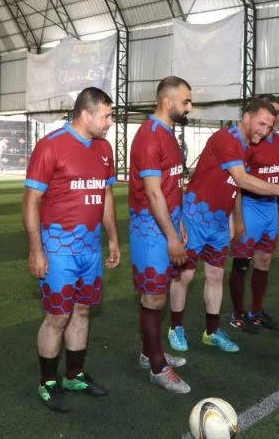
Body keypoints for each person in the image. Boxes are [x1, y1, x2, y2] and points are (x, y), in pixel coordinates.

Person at [167, 98, 279, 354]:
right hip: (196, 217)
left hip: (219, 221)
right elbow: (241, 179)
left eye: (269, 126)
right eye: (261, 124)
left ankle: (211, 332)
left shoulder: (247, 144)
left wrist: (233, 216)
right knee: (185, 276)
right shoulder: (226, 138)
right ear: (246, 117)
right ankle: (175, 327)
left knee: (216, 276)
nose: (264, 131)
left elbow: (231, 186)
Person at [23, 87, 120, 413]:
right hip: (58, 250)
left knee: (82, 310)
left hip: (90, 249)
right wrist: (36, 250)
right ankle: (47, 382)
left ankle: (74, 375)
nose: (110, 122)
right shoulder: (51, 146)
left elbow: (106, 195)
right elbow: (31, 201)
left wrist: (113, 238)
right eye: (106, 116)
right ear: (86, 114)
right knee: (58, 316)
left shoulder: (104, 148)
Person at [129, 76, 192, 393]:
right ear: (167, 102)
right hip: (150, 230)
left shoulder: (168, 134)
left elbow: (171, 186)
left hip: (166, 225)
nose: (189, 107)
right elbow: (153, 194)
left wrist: (179, 223)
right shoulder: (150, 136)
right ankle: (157, 367)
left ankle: (149, 353)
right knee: (153, 296)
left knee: (159, 293)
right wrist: (172, 237)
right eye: (185, 101)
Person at [228, 93, 279, 333]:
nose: (274, 118)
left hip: (270, 207)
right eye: (270, 112)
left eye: (277, 113)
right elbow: (237, 181)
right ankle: (237, 314)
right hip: (250, 206)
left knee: (264, 261)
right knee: (242, 262)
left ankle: (256, 311)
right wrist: (238, 217)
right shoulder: (249, 142)